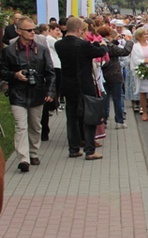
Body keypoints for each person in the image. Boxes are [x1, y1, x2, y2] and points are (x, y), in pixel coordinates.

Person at [0, 17, 56, 171]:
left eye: (34, 30)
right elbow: (2, 71)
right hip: (17, 93)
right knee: (20, 126)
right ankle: (23, 159)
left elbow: (50, 73)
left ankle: (33, 153)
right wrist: (15, 75)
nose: (33, 33)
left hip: (37, 92)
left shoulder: (42, 50)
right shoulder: (9, 51)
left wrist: (50, 91)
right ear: (19, 31)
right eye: (29, 30)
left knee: (35, 126)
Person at [55, 17, 108, 160]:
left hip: (68, 84)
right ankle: (90, 150)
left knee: (71, 117)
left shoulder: (59, 45)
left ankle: (74, 149)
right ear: (79, 29)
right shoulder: (83, 45)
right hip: (84, 84)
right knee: (89, 116)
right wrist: (102, 44)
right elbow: (100, 52)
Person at [99, 26, 133, 129]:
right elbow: (125, 52)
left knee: (104, 99)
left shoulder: (99, 44)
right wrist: (129, 41)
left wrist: (115, 40)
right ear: (108, 35)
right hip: (114, 74)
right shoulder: (110, 46)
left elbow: (111, 47)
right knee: (117, 98)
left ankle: (104, 121)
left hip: (103, 75)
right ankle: (119, 121)